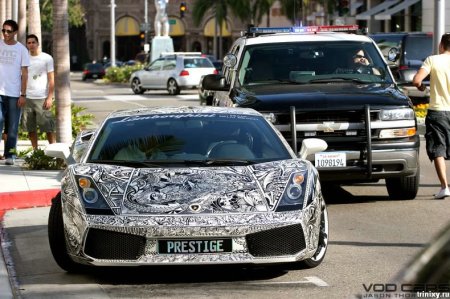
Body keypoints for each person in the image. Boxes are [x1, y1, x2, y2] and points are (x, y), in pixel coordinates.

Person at [413, 33, 450, 199]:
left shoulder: (432, 60)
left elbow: (416, 80)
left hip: (438, 111)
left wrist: (421, 87)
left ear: (442, 45)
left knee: (438, 149)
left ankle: (444, 187)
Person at [0, 19, 30, 165]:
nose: (5, 33)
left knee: (12, 126)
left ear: (15, 32)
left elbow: (25, 74)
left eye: (9, 31)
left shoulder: (21, 50)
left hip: (13, 93)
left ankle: (10, 154)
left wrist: (23, 94)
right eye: (3, 30)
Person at [22, 34, 56, 149]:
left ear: (38, 44)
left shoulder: (47, 58)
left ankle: (54, 152)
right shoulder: (24, 57)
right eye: (29, 43)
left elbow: (51, 80)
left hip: (42, 98)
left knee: (48, 128)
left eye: (33, 42)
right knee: (30, 128)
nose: (31, 45)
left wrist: (50, 97)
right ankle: (36, 152)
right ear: (27, 45)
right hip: (27, 98)